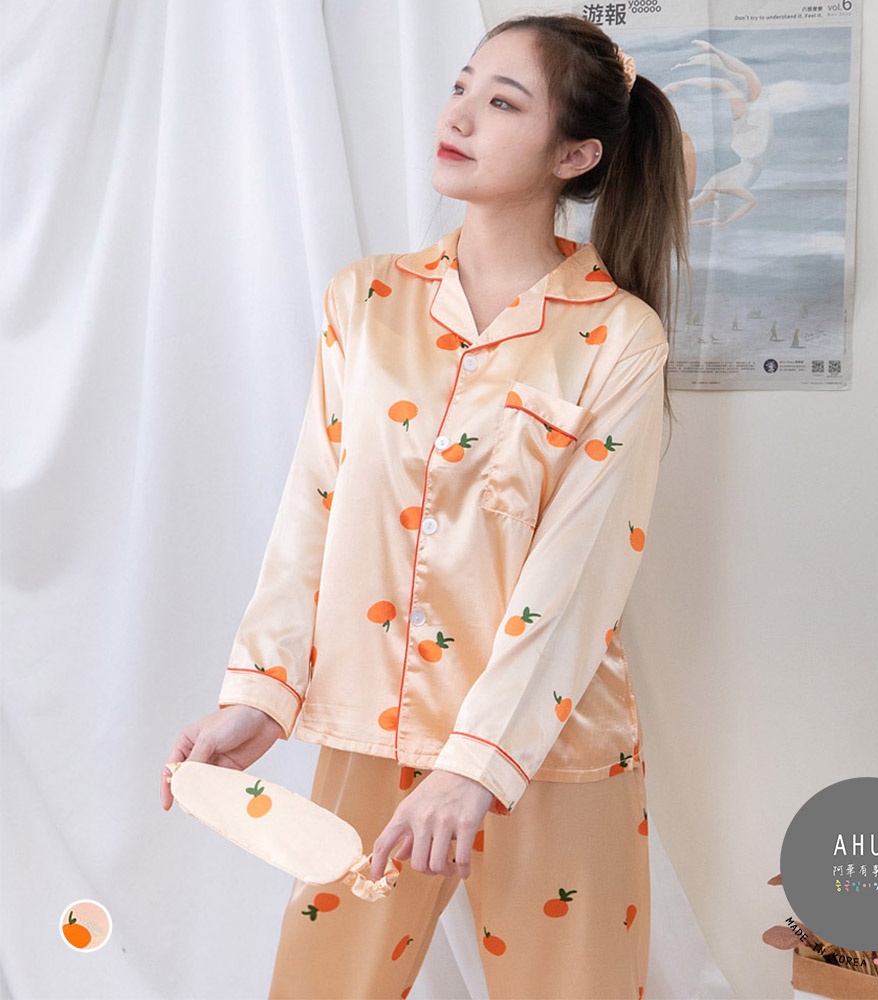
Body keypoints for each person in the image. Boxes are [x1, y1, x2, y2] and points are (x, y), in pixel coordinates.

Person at [161, 12, 689, 999]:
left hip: (550, 747)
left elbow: (577, 577)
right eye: (461, 87)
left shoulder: (620, 337)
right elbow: (313, 510)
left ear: (573, 153)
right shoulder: (365, 302)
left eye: (503, 102)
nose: (460, 115)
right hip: (376, 726)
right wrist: (260, 696)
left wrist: (475, 766)